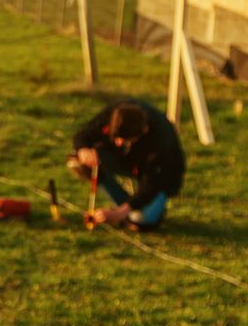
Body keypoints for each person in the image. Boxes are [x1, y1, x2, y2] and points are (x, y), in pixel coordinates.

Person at [68, 99, 184, 231]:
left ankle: (133, 209)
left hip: (161, 178)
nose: (118, 142)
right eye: (116, 137)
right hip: (126, 162)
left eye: (125, 139)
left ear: (143, 130)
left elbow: (152, 183)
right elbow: (84, 134)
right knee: (77, 161)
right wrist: (83, 150)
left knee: (141, 220)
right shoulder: (116, 113)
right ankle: (127, 205)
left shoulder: (161, 140)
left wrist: (120, 213)